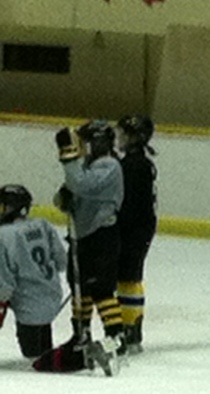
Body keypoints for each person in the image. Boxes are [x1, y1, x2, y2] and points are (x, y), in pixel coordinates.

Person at [0, 183, 113, 375]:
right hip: (52, 296)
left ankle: (84, 355)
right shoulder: (43, 225)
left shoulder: (3, 236)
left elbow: (4, 284)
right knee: (42, 350)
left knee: (36, 360)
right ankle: (75, 349)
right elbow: (61, 262)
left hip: (29, 305)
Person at [55, 119, 125, 363]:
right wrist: (64, 198)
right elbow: (67, 193)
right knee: (79, 286)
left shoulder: (110, 165)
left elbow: (82, 184)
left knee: (100, 288)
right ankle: (81, 333)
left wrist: (68, 158)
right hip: (83, 235)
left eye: (86, 142)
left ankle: (116, 337)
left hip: (102, 235)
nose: (83, 147)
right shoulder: (87, 165)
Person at [115, 114, 157, 354]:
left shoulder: (134, 165)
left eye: (123, 134)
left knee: (129, 277)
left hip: (135, 228)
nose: (119, 138)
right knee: (128, 276)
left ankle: (130, 329)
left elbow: (129, 204)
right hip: (140, 227)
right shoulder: (137, 163)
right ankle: (130, 327)